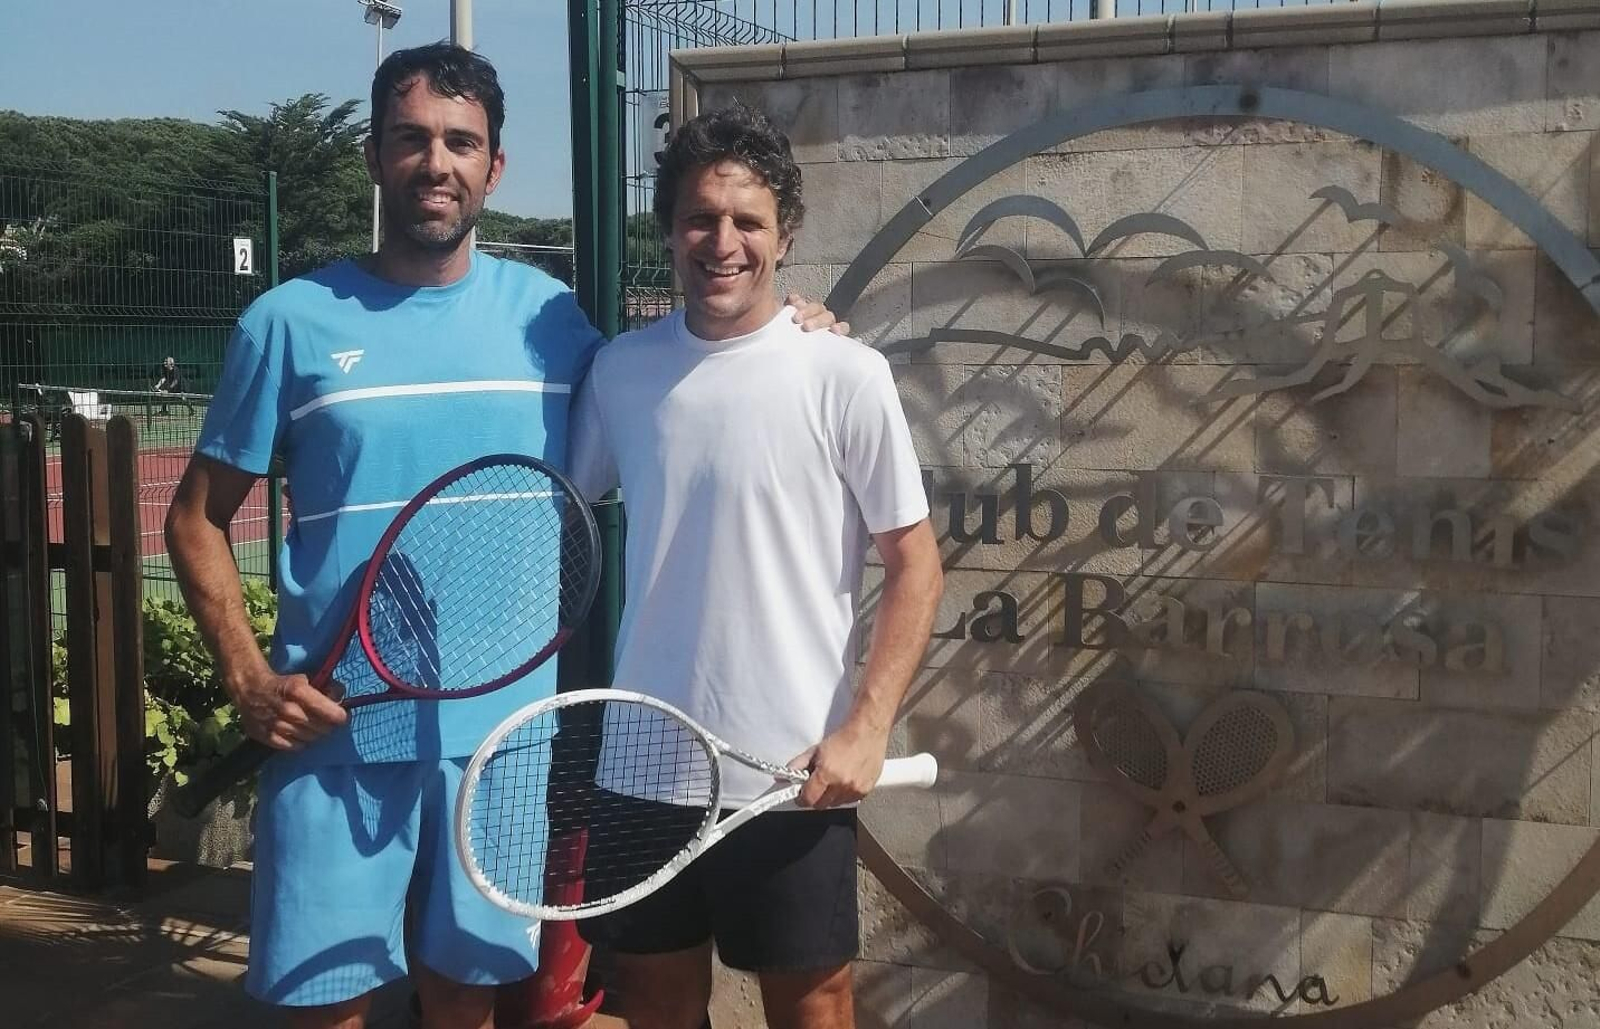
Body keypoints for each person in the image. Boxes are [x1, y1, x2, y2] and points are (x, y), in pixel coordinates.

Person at [165, 46, 842, 1029]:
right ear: (374, 156)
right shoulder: (290, 324)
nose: (435, 162)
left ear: (494, 168)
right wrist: (246, 676)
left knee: (465, 1005)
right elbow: (195, 520)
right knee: (326, 1011)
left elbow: (691, 368)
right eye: (411, 139)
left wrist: (802, 327)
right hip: (337, 732)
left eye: (459, 142)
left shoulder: (551, 321)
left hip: (502, 748)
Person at [569, 102, 944, 1029]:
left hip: (787, 773)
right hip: (641, 766)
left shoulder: (843, 373)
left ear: (786, 236)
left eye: (747, 221)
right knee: (655, 1003)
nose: (722, 241)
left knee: (813, 1006)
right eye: (701, 218)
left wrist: (865, 727)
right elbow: (565, 520)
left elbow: (916, 564)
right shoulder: (619, 372)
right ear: (669, 229)